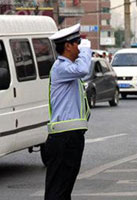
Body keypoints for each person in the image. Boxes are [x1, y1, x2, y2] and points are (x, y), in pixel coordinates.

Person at [45, 23, 92, 200]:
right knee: (57, 191)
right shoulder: (61, 67)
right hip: (63, 138)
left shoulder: (67, 68)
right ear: (67, 46)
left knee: (64, 189)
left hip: (70, 136)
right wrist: (87, 50)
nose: (79, 47)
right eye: (77, 43)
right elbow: (83, 69)